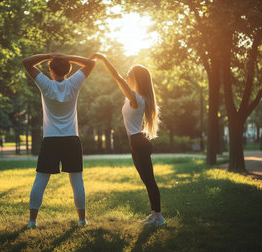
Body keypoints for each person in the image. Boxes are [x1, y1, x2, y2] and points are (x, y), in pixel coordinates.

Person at [22, 53, 95, 228]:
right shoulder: (74, 83)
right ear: (69, 69)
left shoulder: (46, 84)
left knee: (41, 179)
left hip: (51, 140)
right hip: (71, 139)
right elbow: (90, 62)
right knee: (76, 180)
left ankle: (32, 221)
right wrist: (67, 56)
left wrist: (50, 55)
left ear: (51, 70)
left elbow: (26, 62)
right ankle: (82, 220)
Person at [91, 53, 165, 225]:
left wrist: (104, 59)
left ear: (136, 78)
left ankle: (159, 217)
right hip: (136, 143)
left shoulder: (136, 99)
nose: (127, 75)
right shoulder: (135, 97)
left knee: (150, 180)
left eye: (130, 73)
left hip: (139, 143)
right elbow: (121, 79)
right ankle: (154, 213)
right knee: (146, 180)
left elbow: (117, 77)